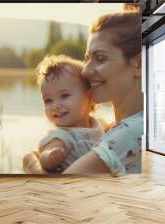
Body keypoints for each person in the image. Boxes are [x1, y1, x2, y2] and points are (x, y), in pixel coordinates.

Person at [23, 11, 143, 176]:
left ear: (139, 64)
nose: (85, 71)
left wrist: (30, 162)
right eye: (87, 59)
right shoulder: (115, 128)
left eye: (100, 58)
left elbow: (58, 194)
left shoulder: (131, 132)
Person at [35, 55, 104, 172]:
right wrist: (50, 156)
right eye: (48, 100)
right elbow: (44, 156)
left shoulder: (98, 126)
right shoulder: (62, 136)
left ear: (89, 97)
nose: (55, 105)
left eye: (64, 95)